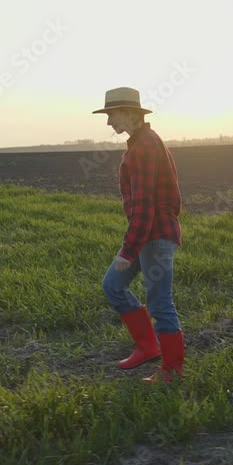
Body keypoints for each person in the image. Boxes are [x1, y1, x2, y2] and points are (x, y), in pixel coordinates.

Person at [92, 87, 184, 383]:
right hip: (147, 233)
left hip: (155, 235)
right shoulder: (140, 143)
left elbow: (144, 207)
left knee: (160, 303)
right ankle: (147, 347)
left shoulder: (145, 147)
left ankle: (172, 371)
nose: (109, 122)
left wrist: (128, 252)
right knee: (113, 285)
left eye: (112, 115)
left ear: (131, 114)